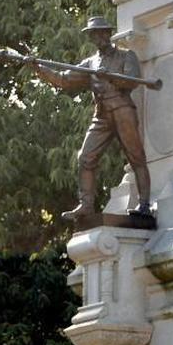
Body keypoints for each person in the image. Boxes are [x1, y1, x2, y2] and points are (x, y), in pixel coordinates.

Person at [29, 16, 152, 220]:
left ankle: (145, 204)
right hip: (101, 115)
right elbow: (64, 79)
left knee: (136, 157)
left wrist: (109, 77)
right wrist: (39, 68)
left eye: (101, 33)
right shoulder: (90, 62)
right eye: (94, 35)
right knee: (85, 158)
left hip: (122, 110)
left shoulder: (126, 55)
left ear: (108, 33)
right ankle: (86, 205)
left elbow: (132, 81)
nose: (98, 37)